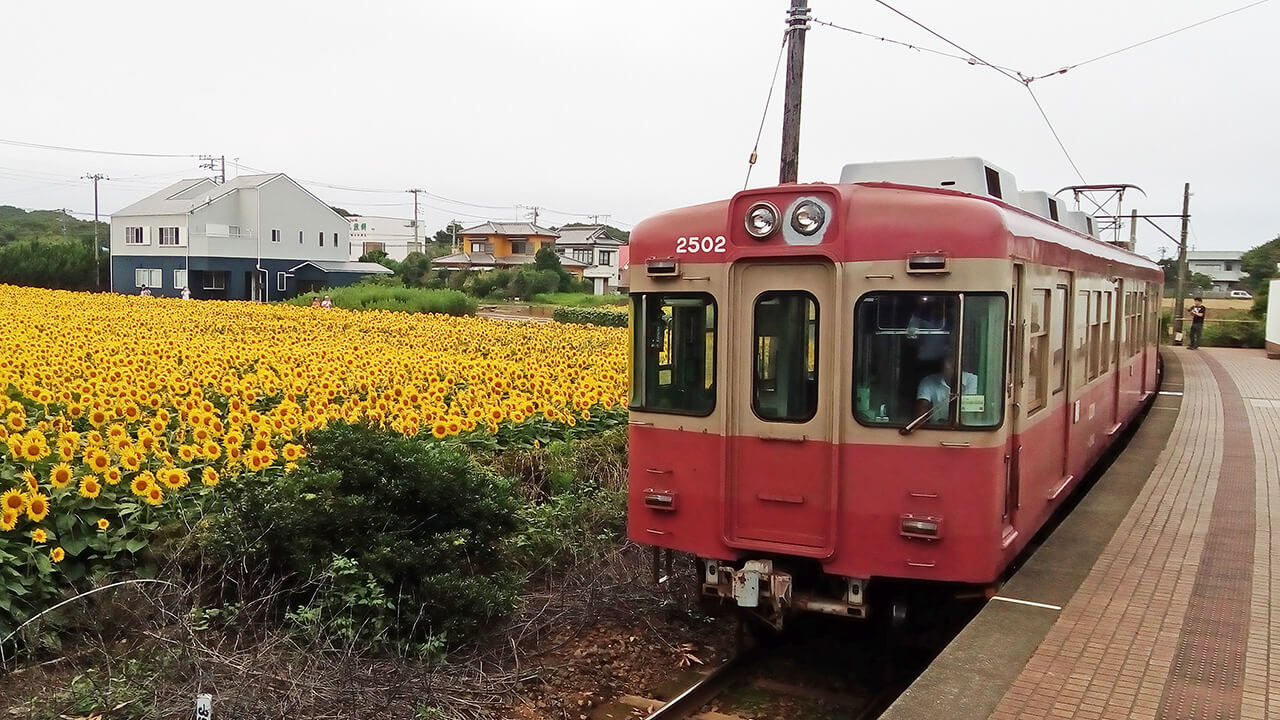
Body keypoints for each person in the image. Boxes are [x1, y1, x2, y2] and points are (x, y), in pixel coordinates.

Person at [916, 355, 978, 424]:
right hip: (935, 431)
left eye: (951, 361)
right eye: (945, 361)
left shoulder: (973, 381)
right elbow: (920, 416)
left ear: (961, 364)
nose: (947, 365)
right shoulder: (928, 381)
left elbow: (967, 415)